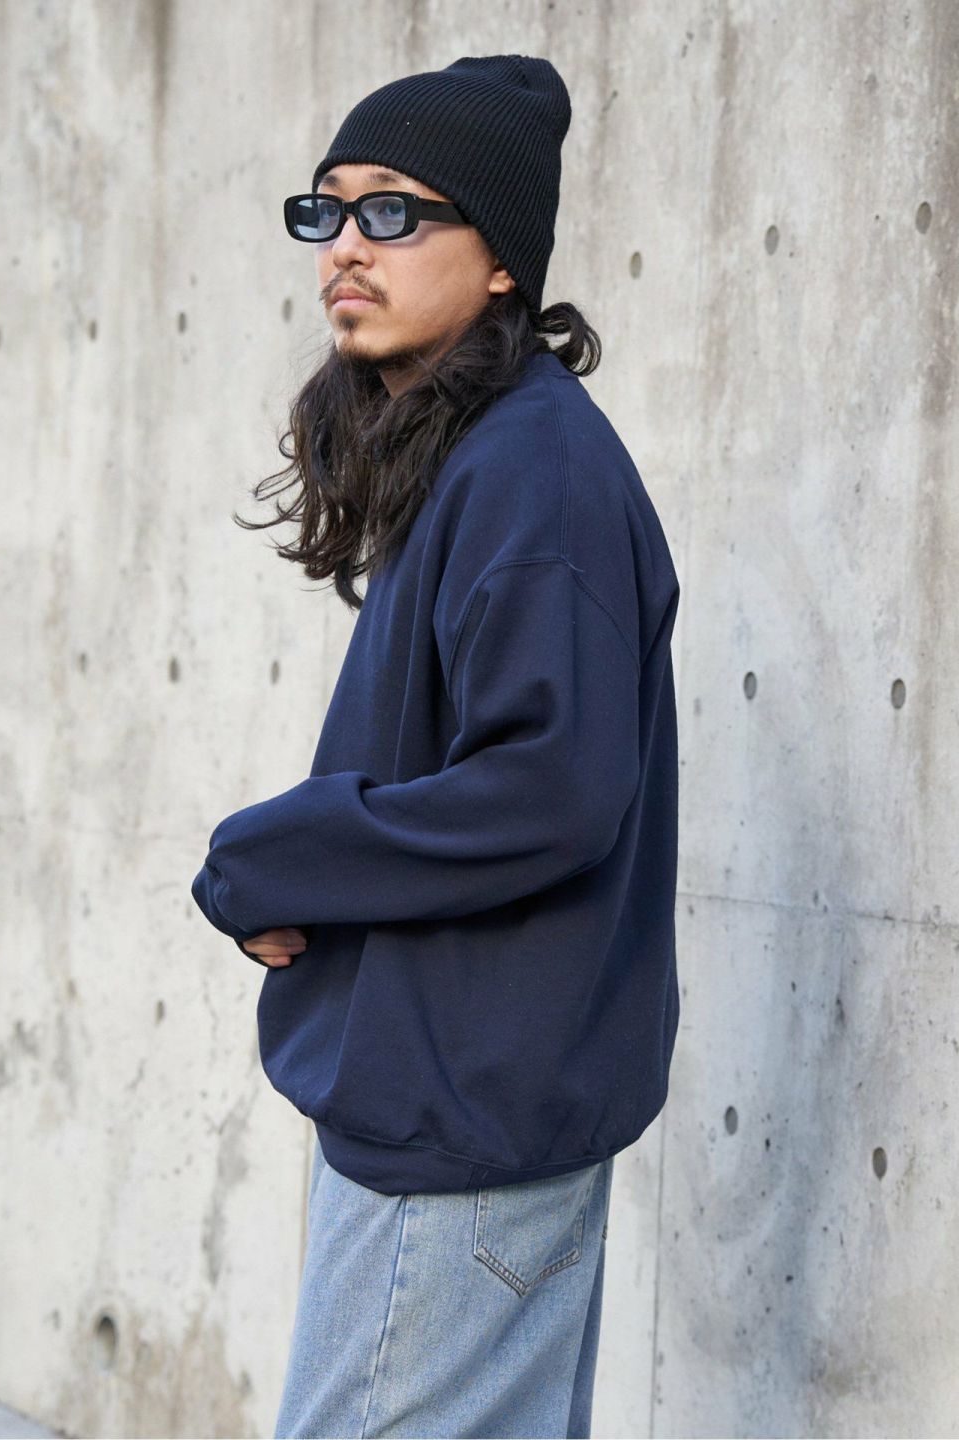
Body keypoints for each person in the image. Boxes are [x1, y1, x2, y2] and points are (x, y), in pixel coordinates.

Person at [190, 53, 681, 1439]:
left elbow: (549, 790)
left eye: (396, 211)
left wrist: (279, 855)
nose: (347, 245)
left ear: (503, 259)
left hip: (458, 1121)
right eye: (328, 209)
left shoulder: (531, 472)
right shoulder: (480, 454)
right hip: (467, 1096)